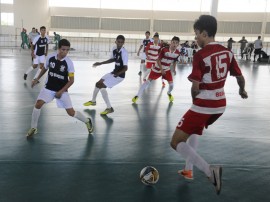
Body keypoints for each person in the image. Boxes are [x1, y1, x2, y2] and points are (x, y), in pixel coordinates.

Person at [170, 15, 248, 195]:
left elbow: (195, 86)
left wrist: (194, 103)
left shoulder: (200, 55)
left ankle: (209, 171)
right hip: (220, 105)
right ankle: (188, 169)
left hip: (204, 103)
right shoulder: (228, 52)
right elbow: (240, 77)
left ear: (205, 34)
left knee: (175, 142)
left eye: (197, 34)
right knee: (195, 130)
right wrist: (242, 91)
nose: (195, 38)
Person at [26, 39, 94, 137]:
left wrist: (61, 91)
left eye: (67, 50)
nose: (65, 52)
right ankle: (33, 127)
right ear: (58, 49)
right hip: (49, 87)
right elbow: (45, 68)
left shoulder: (68, 62)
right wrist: (36, 79)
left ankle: (87, 121)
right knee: (38, 104)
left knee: (71, 113)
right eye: (63, 49)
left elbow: (71, 80)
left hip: (62, 89)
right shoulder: (50, 57)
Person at [83, 35, 128, 115]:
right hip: (114, 72)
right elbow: (112, 59)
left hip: (119, 76)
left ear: (123, 43)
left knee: (102, 86)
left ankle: (109, 108)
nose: (120, 43)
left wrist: (117, 74)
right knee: (98, 84)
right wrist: (100, 63)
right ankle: (93, 101)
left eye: (121, 42)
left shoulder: (124, 53)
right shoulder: (114, 49)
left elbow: (125, 68)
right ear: (116, 41)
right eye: (118, 42)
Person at [132, 36, 180, 103]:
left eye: (176, 43)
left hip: (166, 69)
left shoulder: (177, 53)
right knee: (148, 82)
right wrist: (161, 69)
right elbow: (158, 60)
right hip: (157, 69)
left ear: (178, 44)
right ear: (171, 43)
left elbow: (175, 61)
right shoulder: (164, 50)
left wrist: (174, 69)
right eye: (173, 42)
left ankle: (169, 93)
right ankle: (137, 96)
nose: (174, 44)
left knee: (171, 85)